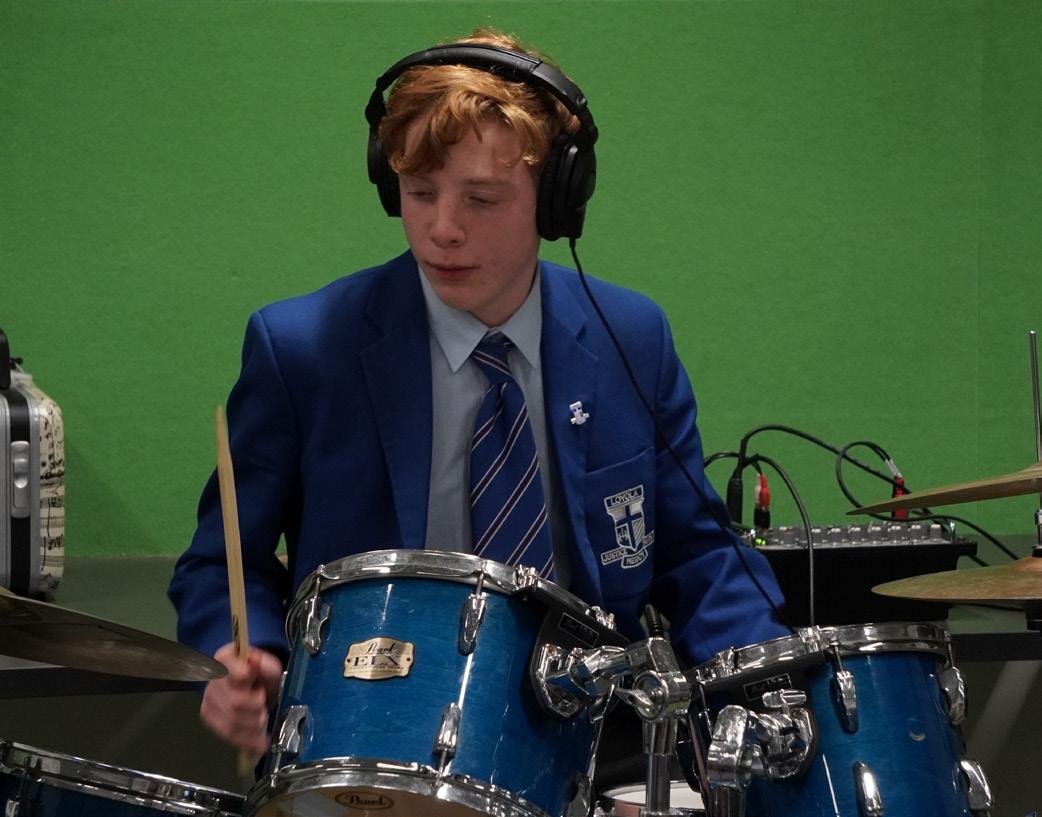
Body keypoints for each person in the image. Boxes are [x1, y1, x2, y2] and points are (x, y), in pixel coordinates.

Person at [168, 27, 788, 755]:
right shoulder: (304, 347)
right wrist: (236, 655)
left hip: (590, 741)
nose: (442, 230)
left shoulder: (631, 337)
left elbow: (700, 556)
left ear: (556, 202)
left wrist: (772, 679)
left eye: (482, 199)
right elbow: (221, 562)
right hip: (370, 736)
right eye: (419, 193)